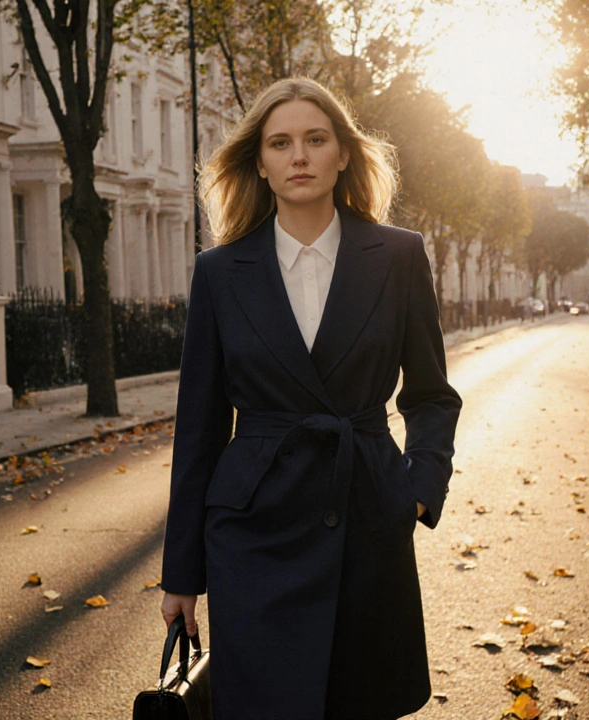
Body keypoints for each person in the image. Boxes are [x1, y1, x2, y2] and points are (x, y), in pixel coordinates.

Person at [159, 77, 462, 720]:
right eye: (281, 143)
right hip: (253, 533)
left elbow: (432, 395)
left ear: (343, 154)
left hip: (368, 515)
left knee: (360, 701)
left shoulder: (399, 257)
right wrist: (181, 574)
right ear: (261, 164)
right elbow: (200, 428)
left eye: (315, 139)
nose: (299, 156)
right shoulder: (220, 272)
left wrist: (416, 486)